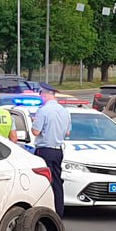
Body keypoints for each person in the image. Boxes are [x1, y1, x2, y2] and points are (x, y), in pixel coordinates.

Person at [30, 82, 71, 217]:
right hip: (58, 151)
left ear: (46, 94)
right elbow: (68, 133)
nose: (41, 96)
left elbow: (36, 132)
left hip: (44, 150)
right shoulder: (65, 111)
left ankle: (44, 213)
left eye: (41, 94)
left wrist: (33, 121)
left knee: (44, 182)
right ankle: (59, 213)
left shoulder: (43, 110)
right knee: (57, 182)